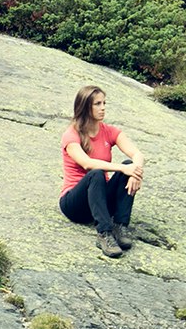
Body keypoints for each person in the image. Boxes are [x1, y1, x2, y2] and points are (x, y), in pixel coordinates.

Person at [59, 85, 145, 258]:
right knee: (97, 173)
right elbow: (87, 164)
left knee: (129, 164)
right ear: (85, 107)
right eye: (97, 104)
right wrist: (123, 168)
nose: (103, 107)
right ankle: (104, 233)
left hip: (100, 203)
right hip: (75, 205)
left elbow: (137, 153)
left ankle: (120, 227)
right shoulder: (71, 135)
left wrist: (135, 172)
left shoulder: (109, 131)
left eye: (104, 103)